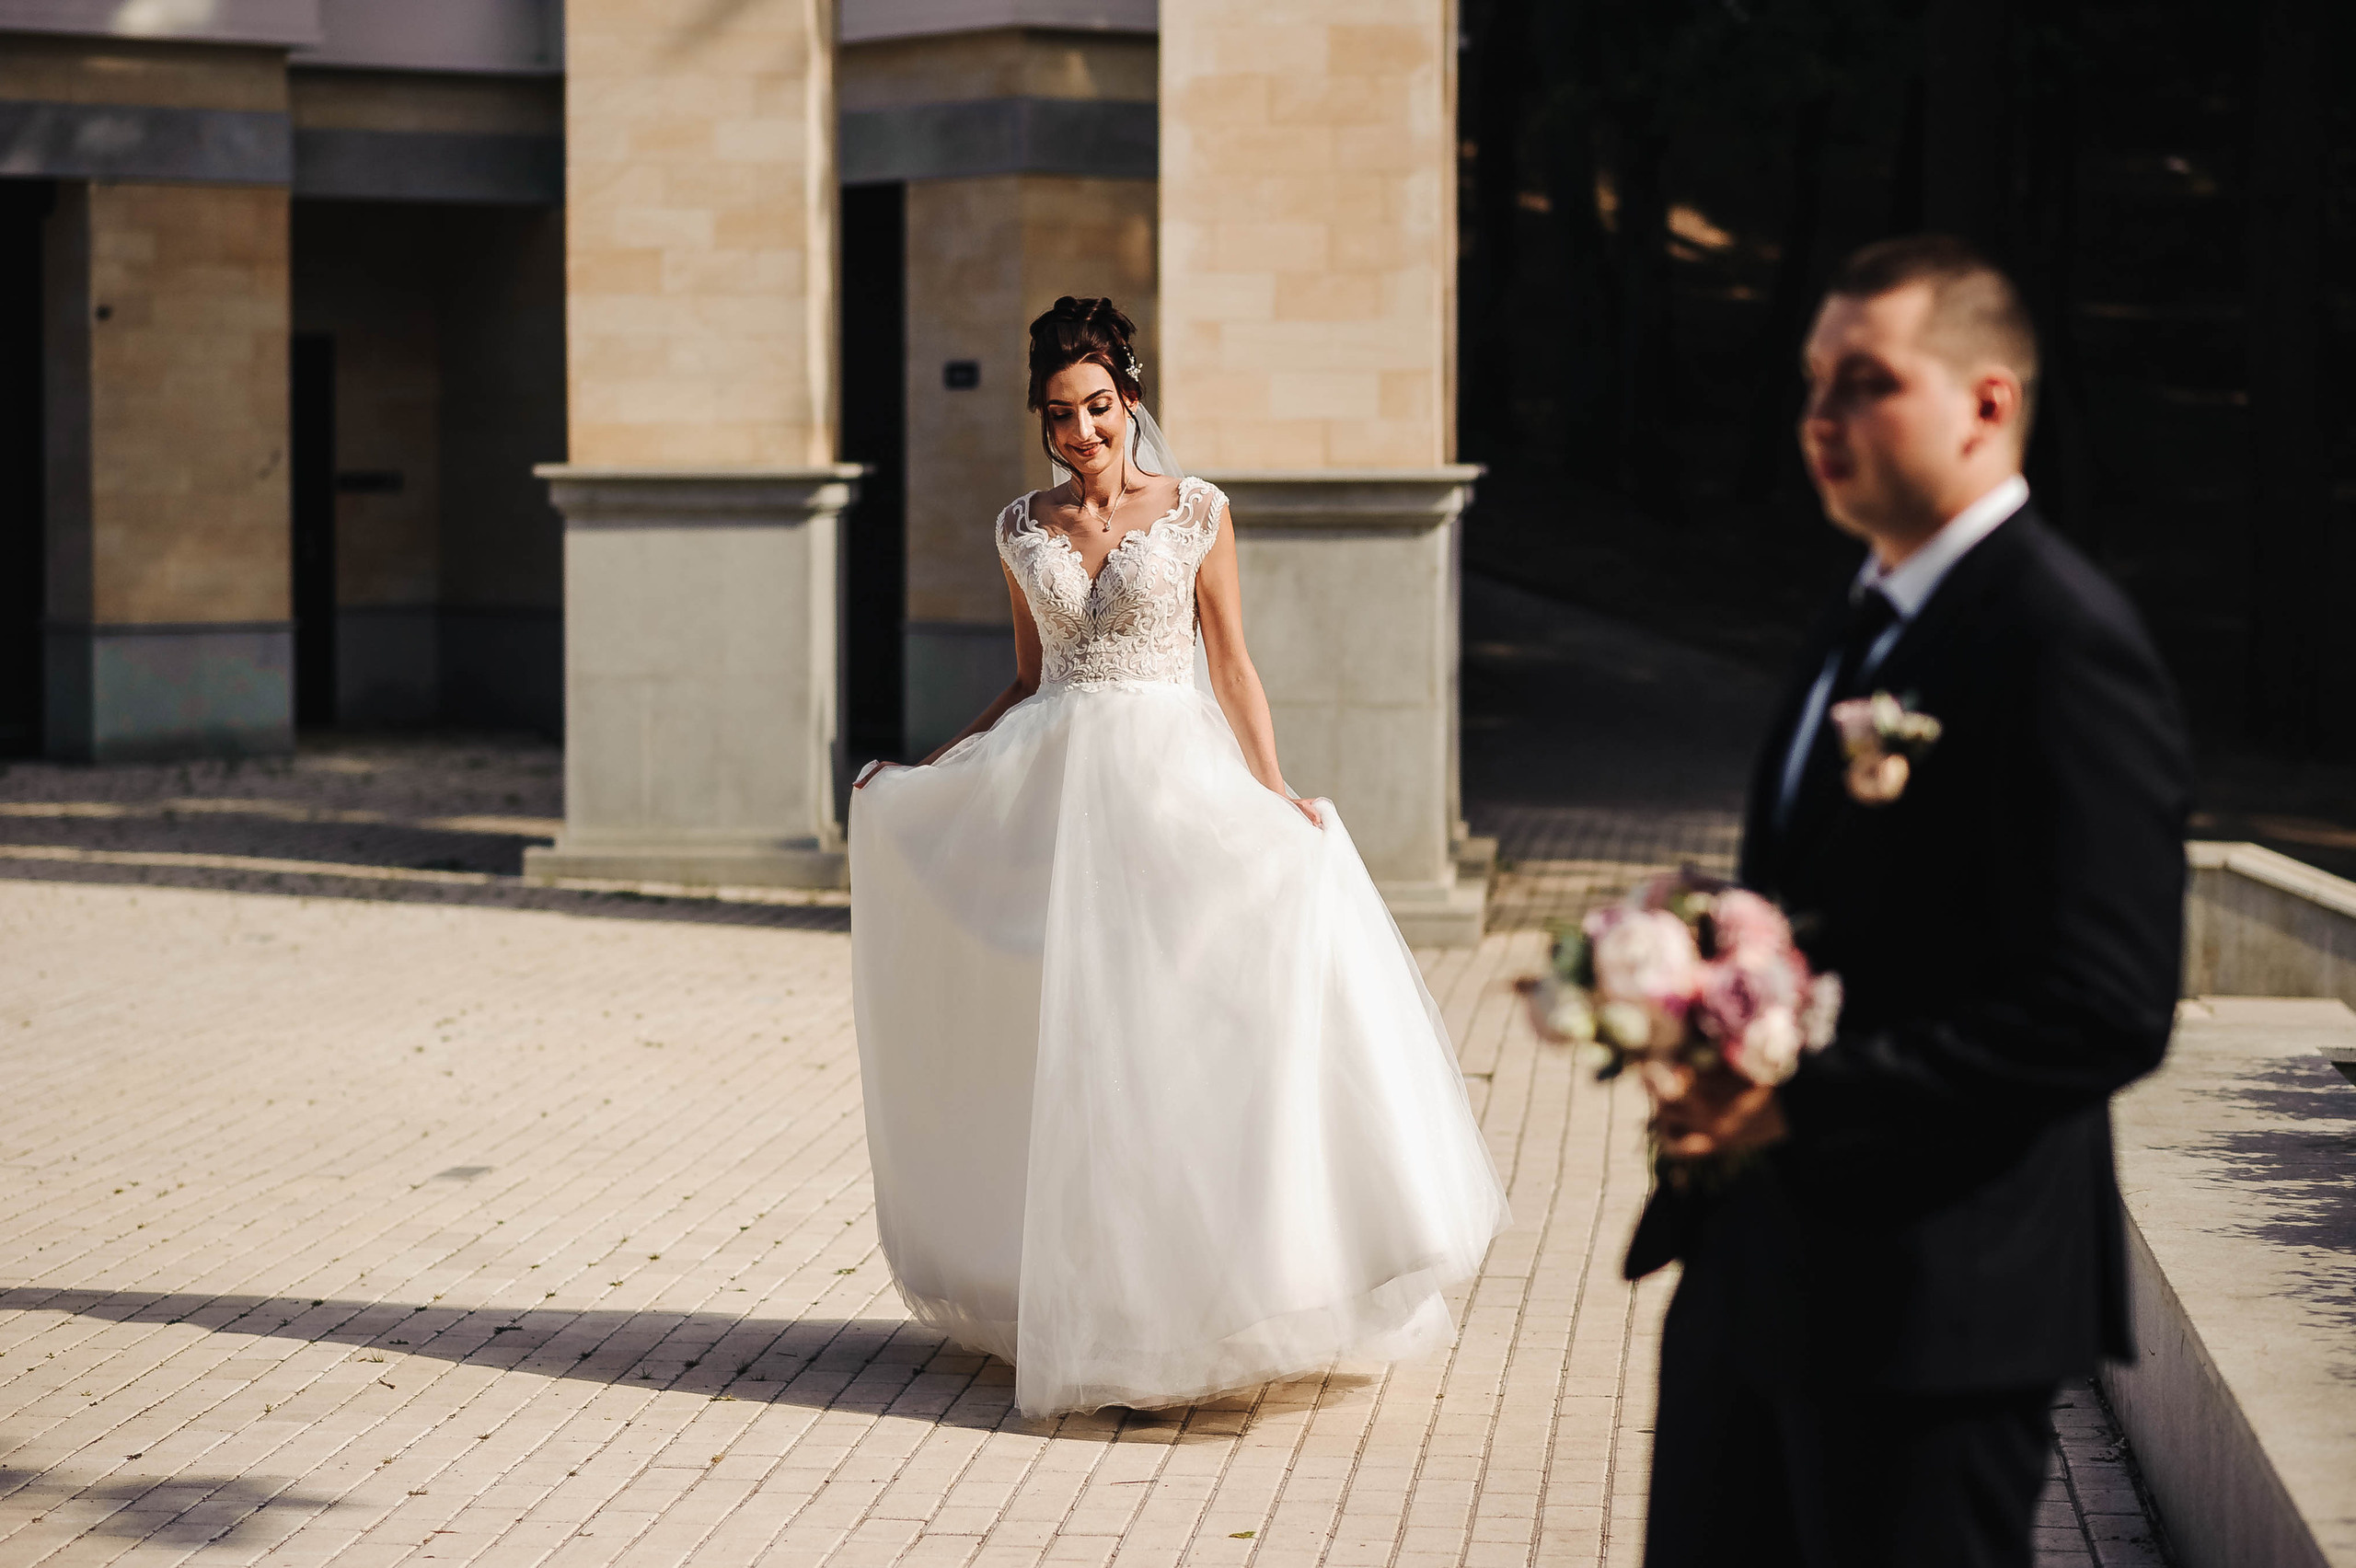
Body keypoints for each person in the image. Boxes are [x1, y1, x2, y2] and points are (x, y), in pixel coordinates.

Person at [1631, 236, 2192, 1567]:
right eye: (1813, 384)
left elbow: (2106, 1008)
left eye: (1865, 384)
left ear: (1987, 402)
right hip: (1755, 1279)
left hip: (1935, 1315)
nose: (1820, 418)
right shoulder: (1861, 616)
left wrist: (1800, 1096)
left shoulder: (2063, 640)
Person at [848, 296, 1508, 1419]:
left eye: (1098, 407)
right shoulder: (1019, 526)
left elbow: (1234, 666)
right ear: (1041, 419)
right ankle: (1103, 1312)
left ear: (1131, 399)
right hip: (1055, 798)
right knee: (1079, 1048)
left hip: (1173, 792)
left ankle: (1215, 1301)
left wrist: (1275, 792)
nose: (1082, 432)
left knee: (1184, 1032)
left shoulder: (1197, 511)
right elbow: (1025, 680)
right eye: (1060, 415)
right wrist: (922, 771)